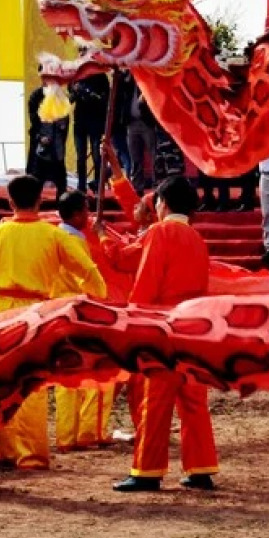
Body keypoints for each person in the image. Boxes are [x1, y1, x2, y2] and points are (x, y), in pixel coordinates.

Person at [0, 174, 105, 470]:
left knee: (2, 382)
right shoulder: (53, 235)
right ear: (40, 200)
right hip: (35, 313)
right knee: (32, 382)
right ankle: (31, 454)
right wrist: (98, 298)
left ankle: (4, 449)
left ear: (10, 202)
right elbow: (88, 271)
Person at [114, 177, 219, 491]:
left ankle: (147, 471)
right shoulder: (197, 239)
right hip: (193, 327)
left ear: (163, 203)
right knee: (193, 401)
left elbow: (147, 280)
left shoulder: (160, 233)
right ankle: (201, 467)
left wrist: (136, 321)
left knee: (156, 400)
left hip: (163, 326)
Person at [49, 192, 115, 454]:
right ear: (77, 214)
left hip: (57, 311)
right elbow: (87, 279)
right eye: (86, 211)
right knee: (93, 374)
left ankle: (67, 434)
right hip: (78, 311)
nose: (88, 216)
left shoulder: (55, 237)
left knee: (66, 376)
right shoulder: (71, 241)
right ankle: (88, 431)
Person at [26, 85, 70, 194]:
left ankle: (61, 207)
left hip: (57, 150)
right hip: (43, 150)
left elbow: (65, 127)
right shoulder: (37, 96)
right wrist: (40, 137)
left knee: (61, 183)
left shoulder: (61, 100)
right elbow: (34, 123)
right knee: (36, 181)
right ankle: (32, 205)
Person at [70, 73, 110, 194]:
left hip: (96, 122)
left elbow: (105, 99)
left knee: (97, 156)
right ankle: (81, 186)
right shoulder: (76, 75)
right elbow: (70, 99)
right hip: (79, 122)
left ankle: (98, 185)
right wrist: (76, 91)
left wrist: (88, 92)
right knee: (80, 156)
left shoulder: (101, 76)